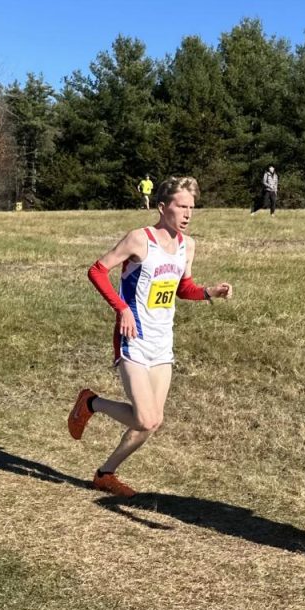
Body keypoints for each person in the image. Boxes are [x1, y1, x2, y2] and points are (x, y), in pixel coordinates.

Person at [66, 176, 234, 496]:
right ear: (162, 207)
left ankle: (105, 473)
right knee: (145, 417)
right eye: (181, 206)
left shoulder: (188, 245)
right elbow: (97, 270)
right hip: (134, 338)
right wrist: (122, 309)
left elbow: (182, 288)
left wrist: (209, 292)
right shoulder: (139, 240)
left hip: (162, 342)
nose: (187, 214)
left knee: (152, 422)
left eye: (191, 208)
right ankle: (91, 402)